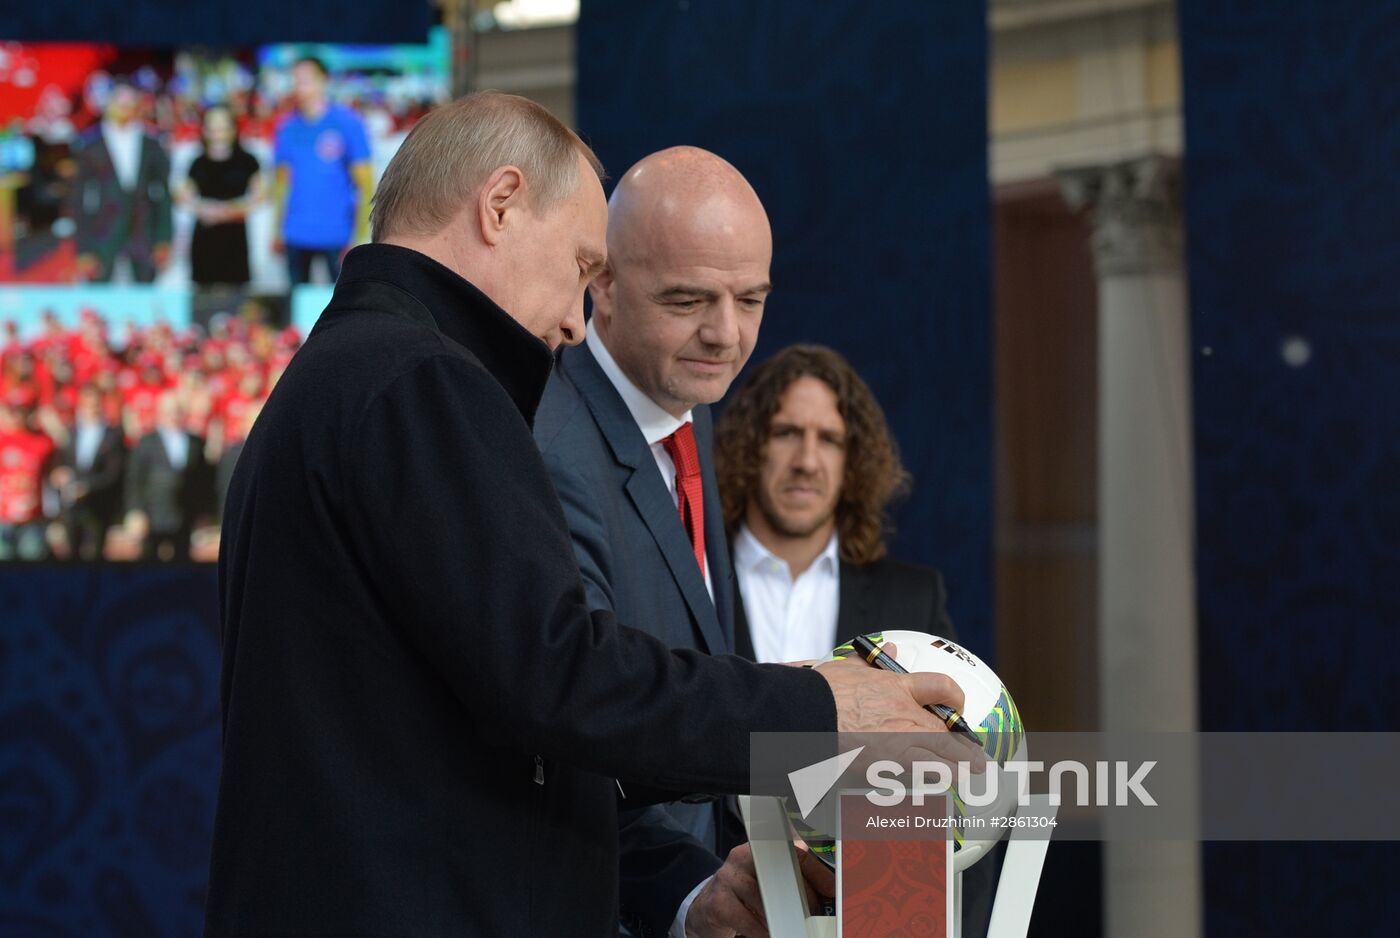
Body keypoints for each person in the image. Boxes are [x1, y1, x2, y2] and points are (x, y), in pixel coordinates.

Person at [204, 92, 967, 938]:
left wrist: (686, 891)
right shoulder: (424, 377)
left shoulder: (349, 369)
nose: (573, 322)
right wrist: (821, 709)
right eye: (577, 267)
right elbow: (558, 677)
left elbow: (490, 714)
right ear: (499, 206)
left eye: (750, 299)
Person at [533, 145, 775, 936]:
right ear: (600, 281)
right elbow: (576, 738)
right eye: (688, 301)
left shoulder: (683, 401)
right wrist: (686, 896)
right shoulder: (550, 442)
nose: (726, 335)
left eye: (751, 298)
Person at [715, 343, 999, 935]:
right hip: (713, 903)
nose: (807, 460)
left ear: (853, 460)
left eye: (830, 439)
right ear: (750, 446)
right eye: (787, 432)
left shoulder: (912, 599)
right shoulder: (696, 578)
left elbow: (962, 787)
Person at [272, 56, 373, 285]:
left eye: (307, 80)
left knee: (341, 309)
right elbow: (281, 184)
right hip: (295, 233)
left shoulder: (348, 123)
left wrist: (360, 237)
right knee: (297, 310)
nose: (301, 87)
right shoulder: (286, 128)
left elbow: (366, 184)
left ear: (324, 81)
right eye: (296, 80)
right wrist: (277, 230)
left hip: (337, 234)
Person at [67, 79, 172, 283]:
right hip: (103, 233)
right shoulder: (89, 145)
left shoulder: (152, 144)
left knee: (146, 294)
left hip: (144, 232)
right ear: (108, 104)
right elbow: (80, 199)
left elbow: (162, 193)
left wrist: (164, 238)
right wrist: (84, 248)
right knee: (98, 294)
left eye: (130, 102)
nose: (125, 107)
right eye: (120, 101)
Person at [180, 105, 262, 288]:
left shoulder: (248, 161)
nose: (218, 133)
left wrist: (230, 211)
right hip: (204, 238)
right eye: (212, 127)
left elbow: (260, 196)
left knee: (236, 291)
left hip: (234, 237)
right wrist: (206, 209)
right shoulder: (197, 162)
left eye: (223, 127)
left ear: (233, 129)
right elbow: (183, 196)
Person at [124, 391, 210, 561]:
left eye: (178, 410)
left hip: (185, 516)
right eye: (170, 411)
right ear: (160, 413)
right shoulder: (146, 442)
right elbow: (135, 479)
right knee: (148, 565)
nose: (174, 415)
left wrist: (203, 514)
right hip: (153, 516)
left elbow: (203, 482)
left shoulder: (196, 442)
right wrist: (136, 511)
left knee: (182, 566)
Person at [51, 384, 126, 561]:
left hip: (98, 504)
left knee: (96, 554)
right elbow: (61, 461)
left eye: (96, 404)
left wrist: (87, 486)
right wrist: (59, 474)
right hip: (71, 505)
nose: (92, 409)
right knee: (71, 554)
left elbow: (113, 473)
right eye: (87, 405)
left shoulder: (113, 434)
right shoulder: (71, 432)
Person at [0, 402, 54, 560]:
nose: (15, 417)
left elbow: (65, 453)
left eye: (19, 412)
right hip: (3, 517)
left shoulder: (41, 442)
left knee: (32, 561)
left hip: (31, 517)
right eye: (11, 412)